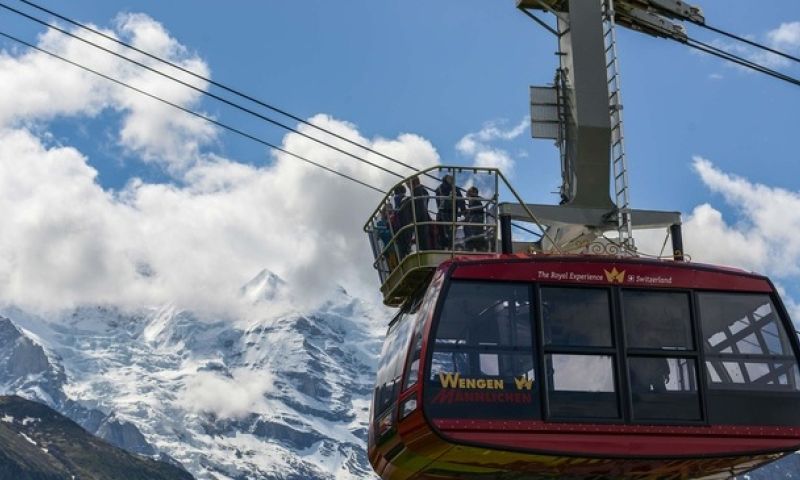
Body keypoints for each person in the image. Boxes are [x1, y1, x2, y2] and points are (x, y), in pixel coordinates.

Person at [434, 174, 464, 249]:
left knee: (443, 232)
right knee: (449, 233)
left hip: (443, 213)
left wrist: (462, 210)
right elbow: (461, 201)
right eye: (451, 179)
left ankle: (443, 247)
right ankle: (449, 247)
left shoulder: (439, 189)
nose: (452, 180)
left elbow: (438, 203)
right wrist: (463, 210)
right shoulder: (454, 189)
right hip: (450, 213)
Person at [409, 176, 433, 250]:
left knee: (422, 239)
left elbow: (419, 207)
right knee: (425, 238)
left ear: (413, 183)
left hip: (419, 219)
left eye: (409, 184)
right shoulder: (424, 191)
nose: (409, 187)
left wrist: (413, 220)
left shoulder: (416, 191)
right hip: (425, 217)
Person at [464, 186, 487, 251]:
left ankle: (471, 247)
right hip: (476, 223)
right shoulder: (476, 200)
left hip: (475, 223)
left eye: (470, 193)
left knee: (473, 237)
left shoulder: (475, 200)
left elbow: (472, 213)